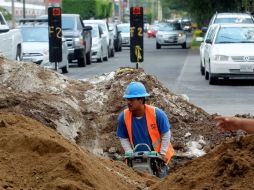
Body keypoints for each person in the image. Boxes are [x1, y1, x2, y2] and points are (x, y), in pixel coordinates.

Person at [117, 81, 174, 166]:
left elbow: (166, 133)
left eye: (131, 99)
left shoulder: (157, 114)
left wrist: (162, 153)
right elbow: (122, 137)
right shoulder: (124, 117)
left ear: (141, 99)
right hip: (137, 159)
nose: (128, 102)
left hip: (159, 157)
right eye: (127, 99)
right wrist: (129, 152)